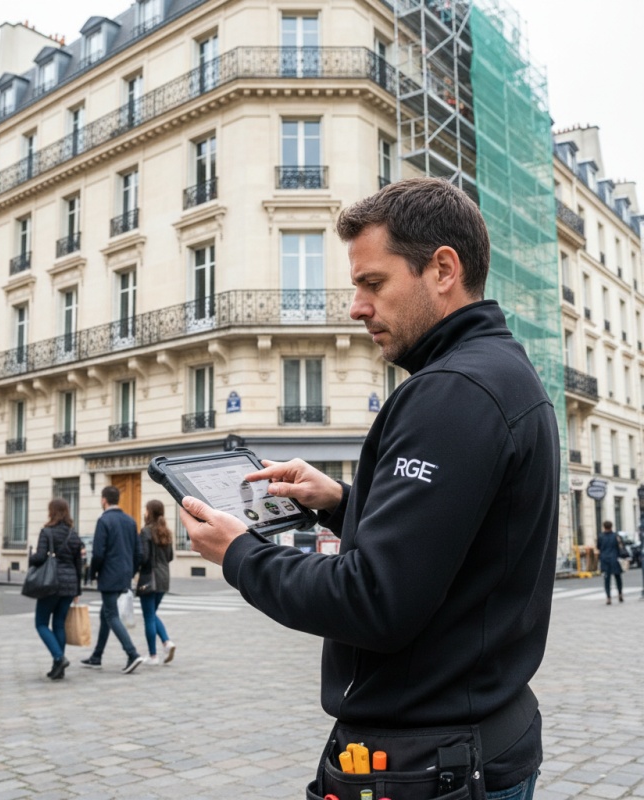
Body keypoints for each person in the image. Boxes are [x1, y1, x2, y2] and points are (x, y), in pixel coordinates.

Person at [179, 178, 560, 800]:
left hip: (434, 762)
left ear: (442, 269)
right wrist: (340, 503)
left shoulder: (451, 391)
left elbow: (375, 602)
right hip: (484, 739)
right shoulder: (501, 372)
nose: (357, 306)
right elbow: (458, 545)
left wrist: (241, 553)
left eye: (373, 283)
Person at [81, 485, 144, 674]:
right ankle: (97, 656)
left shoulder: (104, 520)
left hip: (109, 574)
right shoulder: (130, 521)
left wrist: (92, 573)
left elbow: (98, 553)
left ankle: (132, 653)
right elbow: (138, 552)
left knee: (111, 615)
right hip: (124, 574)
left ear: (104, 500)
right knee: (105, 614)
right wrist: (131, 571)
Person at [29, 498, 82, 680]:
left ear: (52, 511)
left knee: (41, 623)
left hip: (51, 583)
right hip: (69, 584)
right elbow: (78, 564)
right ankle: (58, 668)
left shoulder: (47, 532)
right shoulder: (73, 534)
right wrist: (77, 591)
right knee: (59, 623)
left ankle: (59, 658)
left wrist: (31, 558)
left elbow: (40, 557)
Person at [137, 499, 177, 665]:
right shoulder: (166, 531)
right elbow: (170, 557)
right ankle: (167, 643)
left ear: (149, 512)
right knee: (152, 614)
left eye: (146, 510)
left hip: (149, 578)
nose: (144, 512)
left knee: (148, 617)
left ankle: (153, 656)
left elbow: (144, 557)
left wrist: (136, 566)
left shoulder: (146, 531)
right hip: (163, 579)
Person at [597, 520, 624, 604]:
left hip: (605, 559)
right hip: (615, 559)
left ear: (604, 527)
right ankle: (620, 594)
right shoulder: (616, 536)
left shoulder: (601, 536)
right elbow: (620, 547)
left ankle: (608, 597)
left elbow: (598, 547)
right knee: (618, 578)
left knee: (607, 579)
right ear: (611, 526)